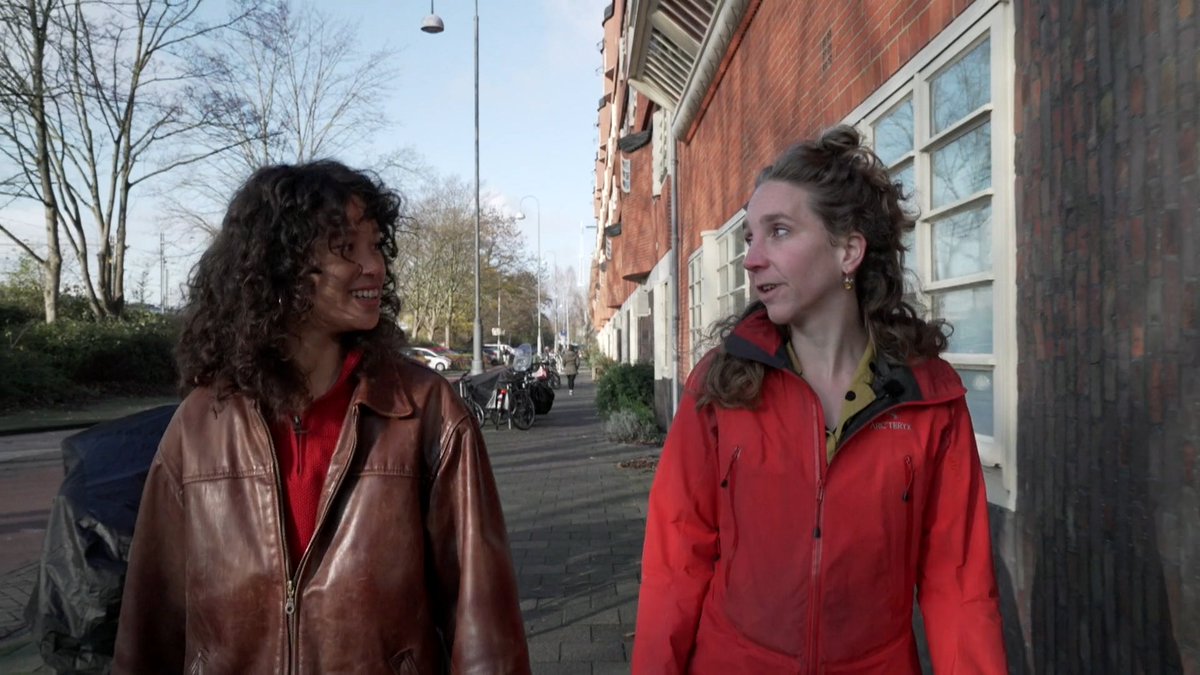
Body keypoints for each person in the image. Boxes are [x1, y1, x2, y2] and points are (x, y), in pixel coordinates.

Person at [113, 161, 530, 674]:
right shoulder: (198, 426)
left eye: (375, 246)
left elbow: (482, 618)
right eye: (346, 248)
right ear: (280, 266)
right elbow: (150, 624)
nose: (374, 266)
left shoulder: (426, 412)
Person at [632, 126, 1007, 674]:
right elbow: (674, 563)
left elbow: (960, 588)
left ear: (848, 251)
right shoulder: (720, 386)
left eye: (779, 231)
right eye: (750, 238)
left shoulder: (928, 399)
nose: (752, 259)